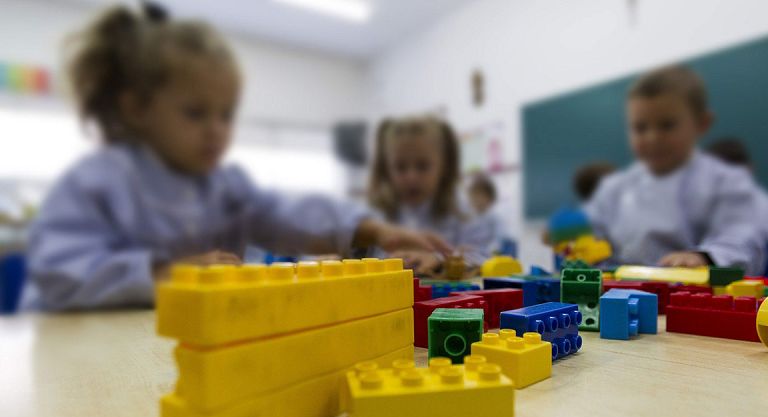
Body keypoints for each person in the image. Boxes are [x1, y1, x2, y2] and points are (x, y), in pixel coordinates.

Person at [22, 5, 449, 311]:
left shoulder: (225, 186)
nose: (217, 130)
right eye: (196, 113)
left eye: (226, 115)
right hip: (75, 353)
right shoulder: (98, 180)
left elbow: (287, 213)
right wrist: (167, 275)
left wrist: (373, 228)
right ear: (137, 108)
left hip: (168, 348)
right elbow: (58, 271)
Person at [581, 66, 764, 273]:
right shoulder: (614, 188)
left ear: (702, 124)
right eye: (640, 128)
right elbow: (591, 226)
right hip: (621, 286)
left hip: (692, 287)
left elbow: (742, 236)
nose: (652, 138)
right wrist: (575, 238)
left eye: (667, 125)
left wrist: (704, 256)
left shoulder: (726, 182)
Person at [368, 116, 492, 275]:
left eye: (422, 166)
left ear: (444, 167)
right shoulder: (377, 215)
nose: (411, 177)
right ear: (386, 169)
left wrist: (441, 259)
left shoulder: (462, 213)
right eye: (400, 167)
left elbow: (484, 258)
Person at [707, 138, 768, 276]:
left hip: (746, 281)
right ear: (750, 167)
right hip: (767, 279)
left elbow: (734, 251)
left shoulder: (740, 205)